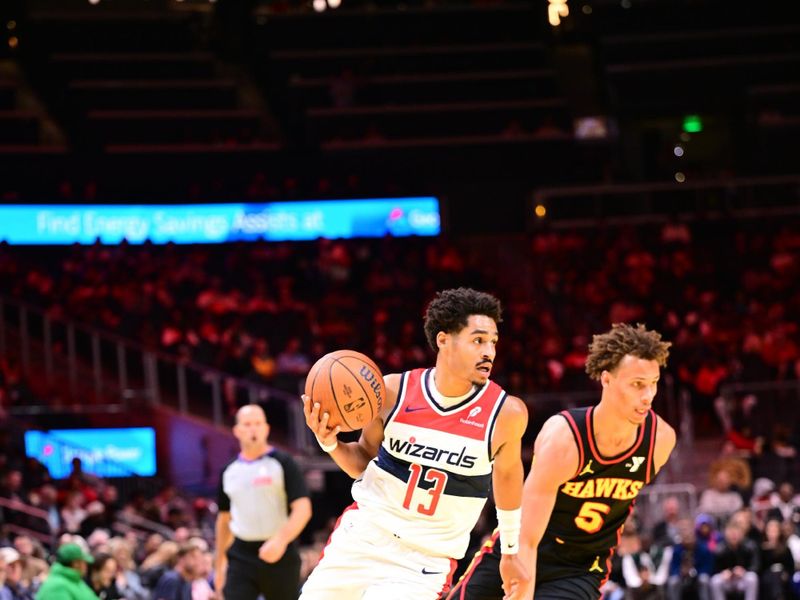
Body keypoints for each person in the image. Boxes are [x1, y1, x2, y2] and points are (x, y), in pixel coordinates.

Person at [300, 287, 529, 599]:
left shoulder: (505, 414)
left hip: (423, 562)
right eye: (478, 340)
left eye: (493, 342)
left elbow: (507, 480)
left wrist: (511, 552)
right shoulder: (394, 391)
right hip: (363, 538)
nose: (488, 351)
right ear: (444, 340)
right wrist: (331, 444)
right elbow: (363, 460)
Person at [449, 323, 676, 600]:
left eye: (653, 383)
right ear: (606, 380)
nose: (647, 396)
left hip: (580, 568)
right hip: (521, 548)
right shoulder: (565, 439)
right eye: (637, 384)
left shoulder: (659, 441)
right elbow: (528, 536)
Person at [214, 404, 311, 600]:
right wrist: (219, 566)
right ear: (237, 430)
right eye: (247, 424)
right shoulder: (228, 471)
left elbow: (303, 509)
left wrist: (281, 540)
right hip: (241, 554)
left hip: (280, 552)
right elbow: (224, 520)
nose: (253, 429)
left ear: (266, 429)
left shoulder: (283, 462)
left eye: (258, 424)